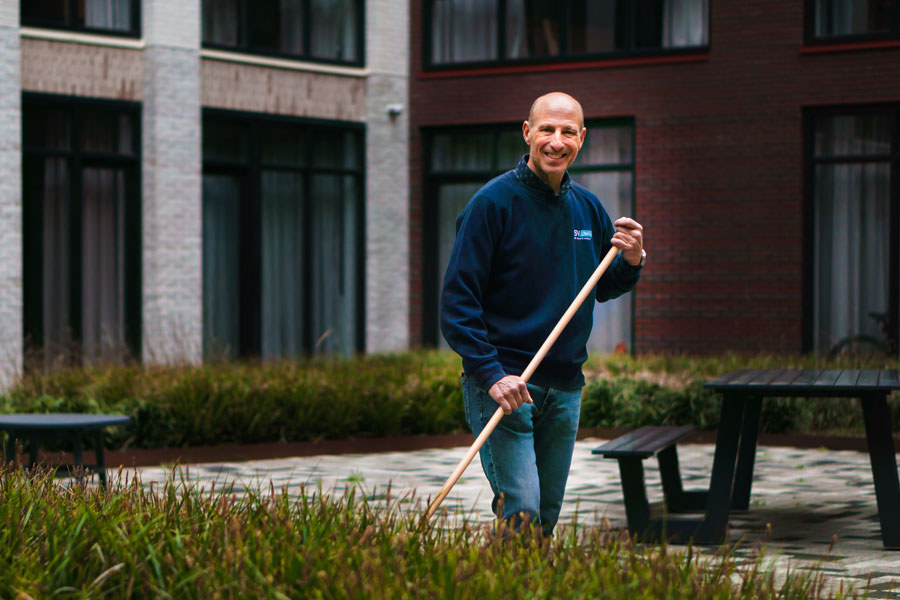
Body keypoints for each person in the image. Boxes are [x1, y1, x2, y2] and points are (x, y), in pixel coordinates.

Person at [439, 92, 645, 536]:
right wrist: (492, 375)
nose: (556, 140)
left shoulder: (587, 208)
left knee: (542, 523)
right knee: (523, 513)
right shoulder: (492, 204)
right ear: (527, 132)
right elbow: (458, 303)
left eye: (568, 131)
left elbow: (602, 287)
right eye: (547, 129)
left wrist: (632, 259)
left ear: (582, 138)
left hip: (565, 388)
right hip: (505, 385)